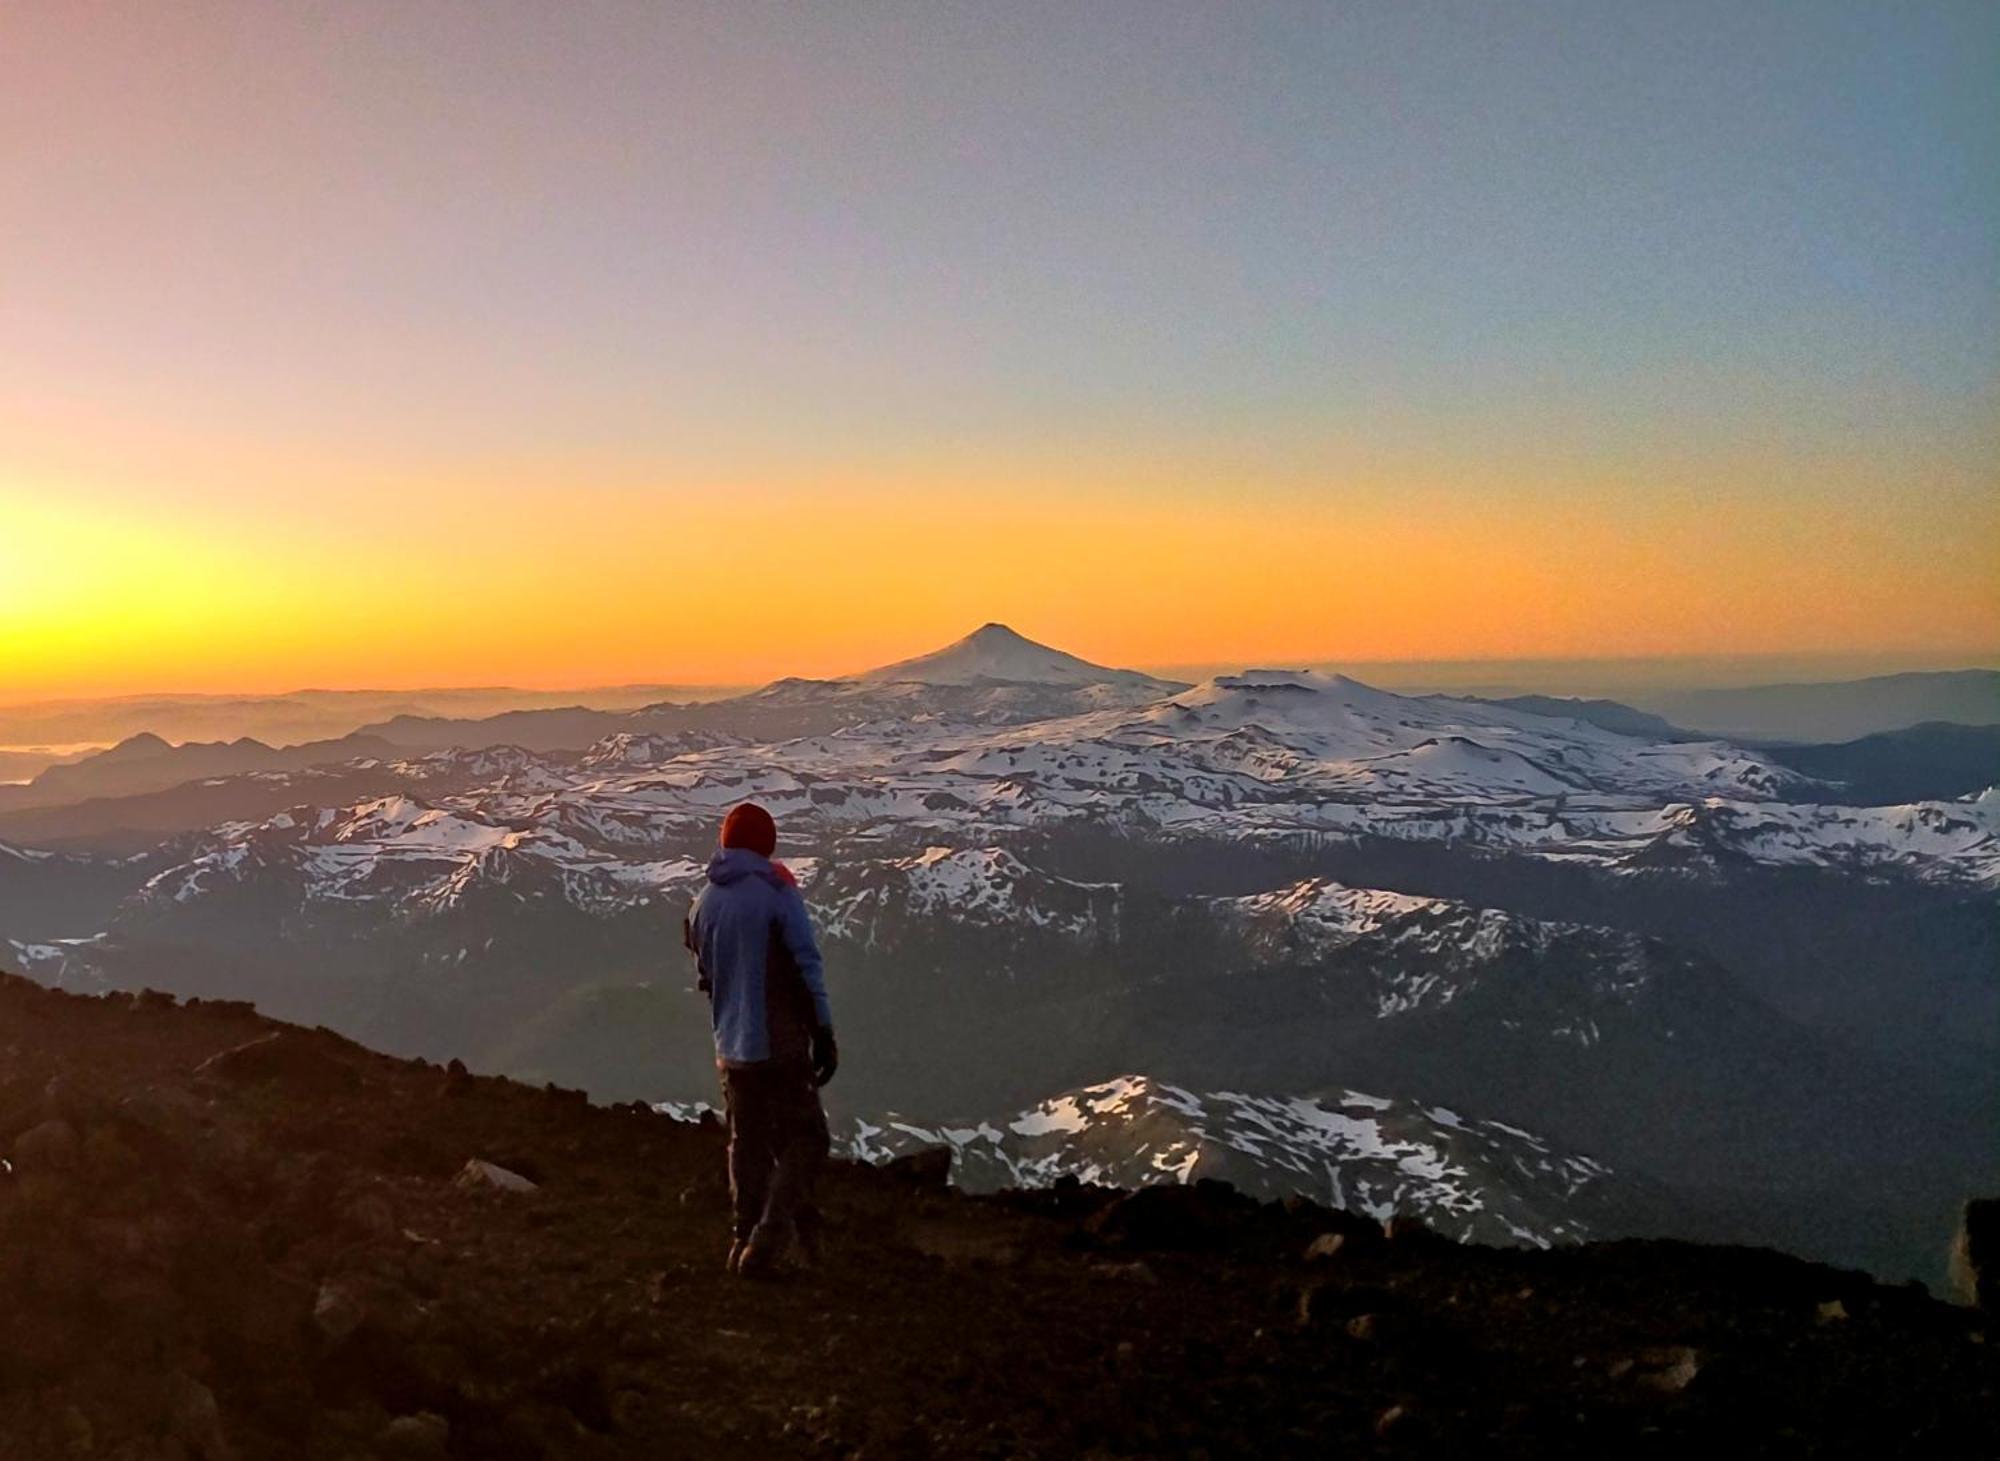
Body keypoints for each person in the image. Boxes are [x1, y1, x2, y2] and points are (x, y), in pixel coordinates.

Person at [684, 802, 838, 1278]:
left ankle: (743, 1238)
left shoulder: (701, 904)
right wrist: (823, 1032)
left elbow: (706, 976)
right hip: (781, 1041)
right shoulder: (777, 895)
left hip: (730, 1047)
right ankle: (771, 1237)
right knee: (807, 1139)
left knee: (746, 1143)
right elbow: (804, 964)